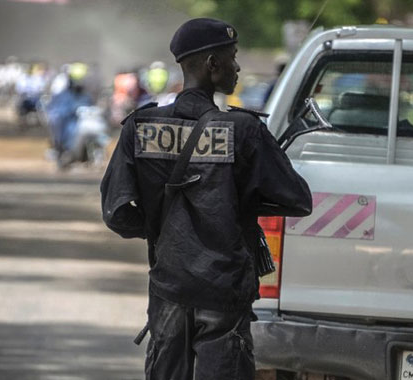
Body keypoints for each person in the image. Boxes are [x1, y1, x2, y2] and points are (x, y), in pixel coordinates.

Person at [100, 18, 314, 380]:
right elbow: (298, 200)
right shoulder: (244, 131)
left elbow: (117, 213)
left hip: (168, 288)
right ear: (212, 64)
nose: (238, 66)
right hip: (223, 290)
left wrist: (162, 228)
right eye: (232, 57)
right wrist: (239, 202)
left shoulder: (140, 126)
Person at [45, 69, 93, 166]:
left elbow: (90, 107)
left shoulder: (85, 96)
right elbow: (56, 111)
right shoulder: (63, 96)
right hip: (67, 125)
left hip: (83, 124)